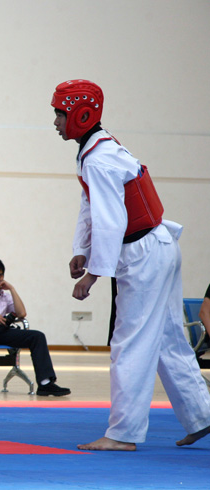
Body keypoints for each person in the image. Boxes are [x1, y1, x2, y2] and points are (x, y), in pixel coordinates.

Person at [53, 79, 210, 451]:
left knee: (130, 342)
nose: (55, 122)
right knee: (168, 338)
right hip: (157, 246)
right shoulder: (98, 148)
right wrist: (81, 248)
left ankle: (122, 434)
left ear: (80, 114)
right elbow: (91, 206)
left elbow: (111, 221)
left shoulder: (99, 158)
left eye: (59, 114)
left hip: (143, 254)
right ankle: (202, 414)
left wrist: (93, 275)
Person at [0, 256, 70, 396]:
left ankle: (45, 383)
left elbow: (22, 313)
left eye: (0, 276)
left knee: (37, 336)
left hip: (1, 331)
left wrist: (12, 289)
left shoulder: (6, 296)